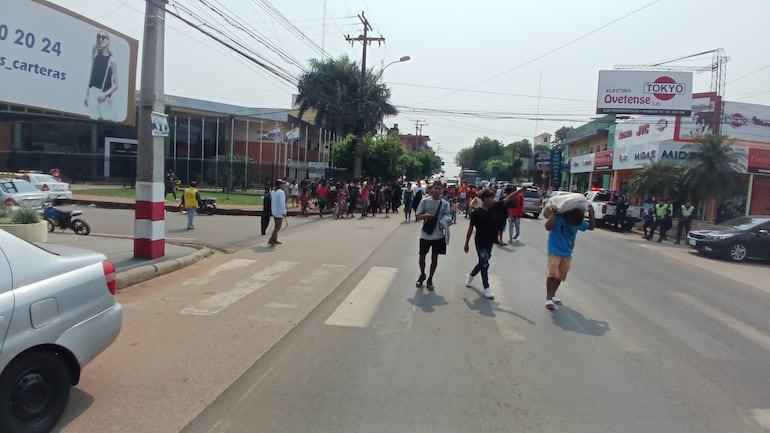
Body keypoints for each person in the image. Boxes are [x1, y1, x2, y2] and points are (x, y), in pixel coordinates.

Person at [464, 187, 525, 299]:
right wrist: (466, 243)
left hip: (490, 241)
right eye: (490, 197)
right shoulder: (476, 213)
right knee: (485, 263)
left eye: (493, 197)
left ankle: (471, 275)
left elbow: (509, 198)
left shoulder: (496, 208)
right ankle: (486, 288)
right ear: (485, 199)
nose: (493, 199)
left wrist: (521, 190)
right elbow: (470, 229)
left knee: (483, 261)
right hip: (480, 241)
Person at [544, 204, 595, 310]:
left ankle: (553, 294)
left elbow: (591, 227)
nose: (573, 225)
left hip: (567, 252)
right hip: (554, 250)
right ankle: (548, 297)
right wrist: (554, 214)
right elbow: (547, 227)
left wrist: (591, 213)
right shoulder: (559, 218)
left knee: (560, 275)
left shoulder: (577, 221)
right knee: (552, 274)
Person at [415, 181, 450, 291]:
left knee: (434, 258)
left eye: (439, 188)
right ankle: (422, 274)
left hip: (438, 235)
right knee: (422, 256)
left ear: (442, 190)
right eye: (435, 188)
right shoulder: (424, 201)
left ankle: (430, 279)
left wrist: (446, 221)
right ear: (431, 189)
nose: (437, 190)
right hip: (425, 234)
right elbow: (417, 216)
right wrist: (424, 216)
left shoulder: (445, 204)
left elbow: (448, 217)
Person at [84, 30, 119, 121]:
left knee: (105, 119)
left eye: (103, 37)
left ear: (108, 40)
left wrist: (105, 94)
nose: (100, 39)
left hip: (102, 93)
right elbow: (92, 75)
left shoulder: (111, 60)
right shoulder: (95, 54)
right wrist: (87, 94)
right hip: (92, 93)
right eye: (98, 37)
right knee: (93, 119)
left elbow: (116, 84)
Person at [269, 180, 287, 246]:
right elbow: (282, 203)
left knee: (276, 226)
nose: (284, 185)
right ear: (280, 185)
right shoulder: (281, 192)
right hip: (279, 212)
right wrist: (284, 212)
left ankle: (275, 239)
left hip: (274, 211)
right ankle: (271, 239)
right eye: (283, 184)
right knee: (277, 227)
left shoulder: (273, 191)